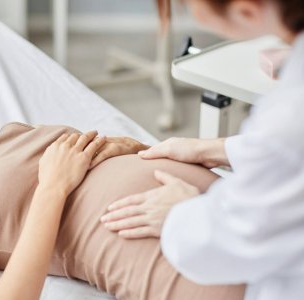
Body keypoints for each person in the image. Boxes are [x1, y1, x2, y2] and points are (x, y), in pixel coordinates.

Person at [0, 59, 245, 300]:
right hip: (195, 267)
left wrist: (129, 146)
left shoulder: (13, 132)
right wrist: (53, 186)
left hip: (242, 209)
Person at [100, 0, 304, 299]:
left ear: (246, 11)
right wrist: (215, 149)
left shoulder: (287, 118)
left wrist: (179, 212)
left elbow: (233, 241)